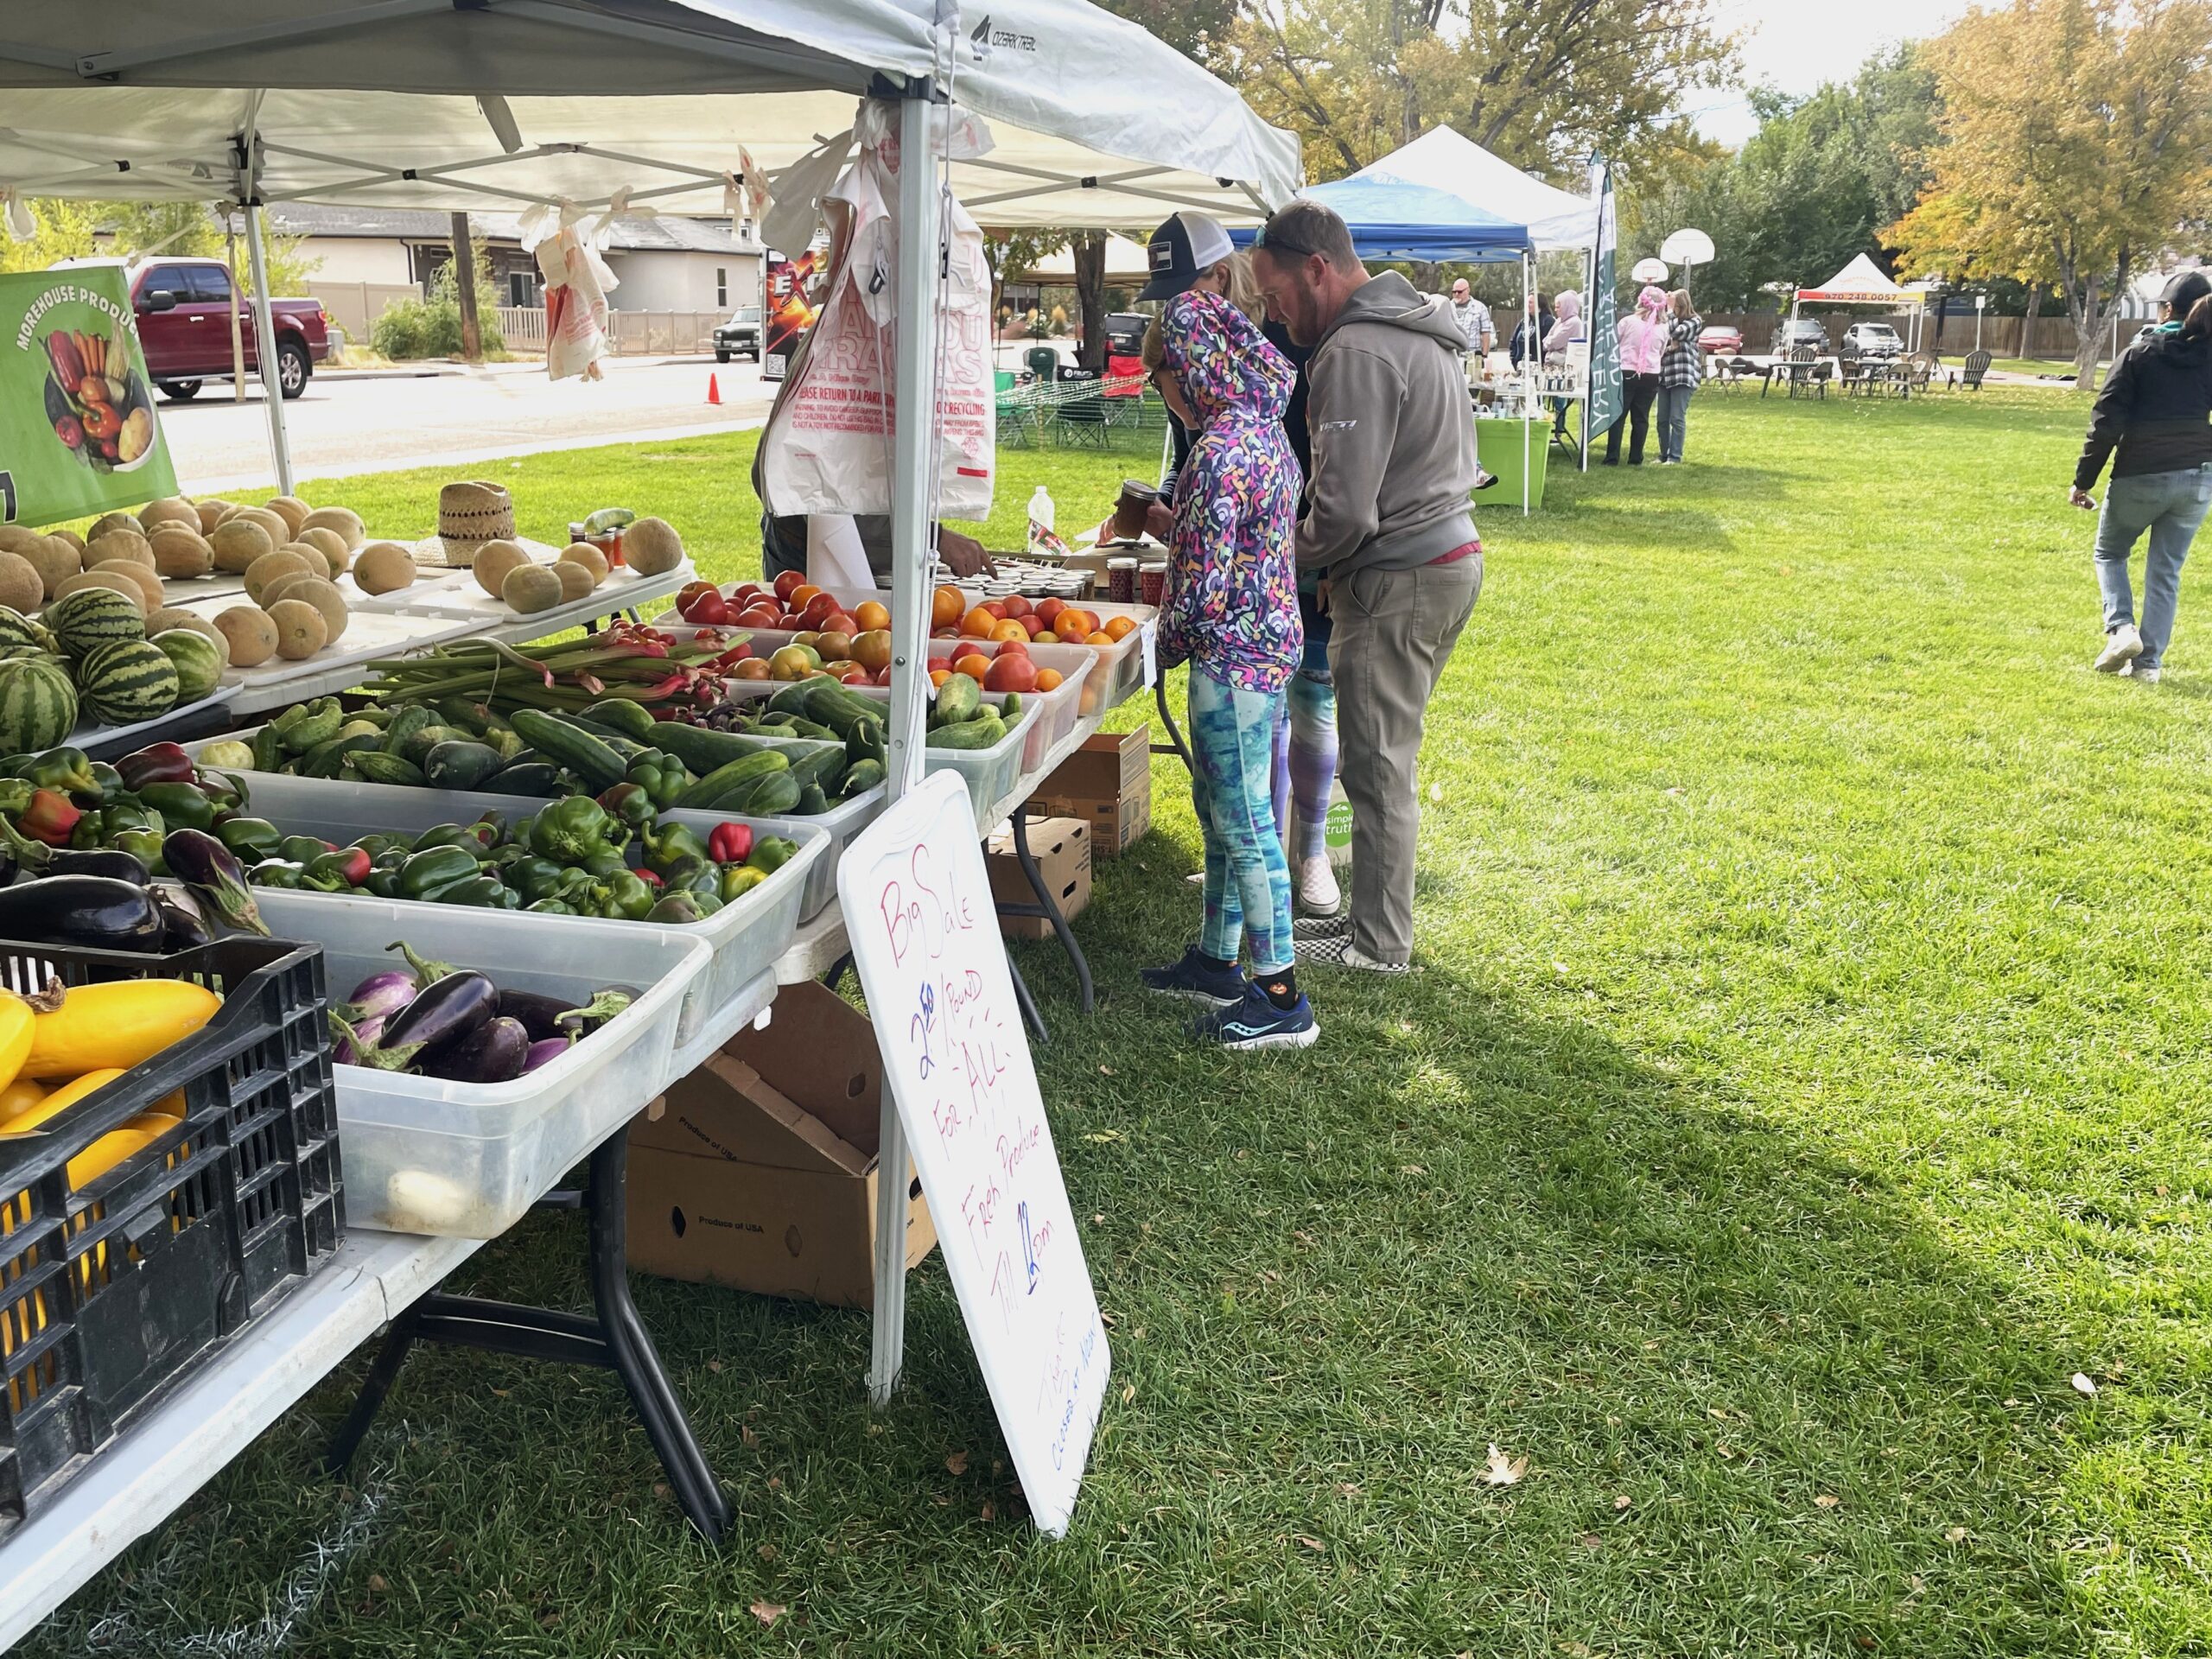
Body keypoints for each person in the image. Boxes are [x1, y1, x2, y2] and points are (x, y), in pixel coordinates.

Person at [1250, 200, 1483, 974]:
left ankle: (1381, 947)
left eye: (1278, 297)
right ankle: (1369, 927)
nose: (1278, 320)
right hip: (1440, 559)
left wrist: (1277, 558)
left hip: (1401, 573)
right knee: (1383, 757)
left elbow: (1344, 512)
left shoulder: (1355, 348)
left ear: (1319, 268)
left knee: (1377, 766)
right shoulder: (1419, 328)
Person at [1134, 219, 1318, 1050]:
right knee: (1221, 809)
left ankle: (1279, 995)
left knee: (1243, 820)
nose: (1161, 392)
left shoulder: (1216, 453)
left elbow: (1200, 590)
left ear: (1190, 371)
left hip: (1233, 661)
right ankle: (1216, 960)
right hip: (1265, 644)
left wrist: (1154, 645)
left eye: (1162, 376)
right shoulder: (1263, 433)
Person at [751, 319, 994, 583]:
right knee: (823, 619)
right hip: (810, 536)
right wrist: (933, 538)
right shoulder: (852, 343)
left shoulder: (880, 336)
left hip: (831, 529)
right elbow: (829, 494)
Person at [2073, 269, 2212, 683]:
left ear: (2167, 309)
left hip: (2141, 473)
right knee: (2166, 571)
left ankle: (2121, 629)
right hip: (2198, 476)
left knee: (2110, 553)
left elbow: (2106, 423)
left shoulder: (2139, 353)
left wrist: (2084, 481)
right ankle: (2148, 666)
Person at [1605, 284, 1667, 466]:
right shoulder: (1663, 328)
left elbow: (1614, 342)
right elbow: (1661, 351)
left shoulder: (1628, 322)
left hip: (1626, 370)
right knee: (1641, 417)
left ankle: (1612, 457)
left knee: (1618, 415)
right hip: (1651, 374)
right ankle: (1635, 457)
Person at [1656, 289, 1702, 465]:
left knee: (1676, 417)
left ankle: (1675, 456)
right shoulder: (1671, 319)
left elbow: (1676, 333)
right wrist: (1670, 345)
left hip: (1683, 374)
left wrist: (1668, 311)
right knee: (1662, 419)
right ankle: (1663, 454)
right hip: (1665, 375)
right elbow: (1662, 335)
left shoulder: (1695, 321)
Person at [1542, 290, 1584, 438]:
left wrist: (1550, 342)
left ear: (1567, 306)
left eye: (1559, 306)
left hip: (1562, 366)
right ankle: (1545, 425)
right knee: (1544, 396)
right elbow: (1547, 340)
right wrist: (1550, 342)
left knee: (1559, 400)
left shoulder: (1574, 322)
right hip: (1551, 363)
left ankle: (1559, 430)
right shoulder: (1560, 321)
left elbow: (1554, 341)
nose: (1556, 309)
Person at [1448, 278, 1495, 360]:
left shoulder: (1480, 308)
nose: (1456, 294)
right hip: (1452, 355)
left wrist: (1484, 356)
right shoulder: (1447, 307)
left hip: (1472, 355)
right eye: (1454, 292)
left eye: (1459, 292)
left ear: (1468, 290)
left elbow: (1486, 333)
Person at [1510, 293, 1554, 370]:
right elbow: (1513, 341)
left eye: (1530, 302)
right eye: (1527, 303)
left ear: (1539, 304)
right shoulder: (1524, 322)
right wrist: (1514, 359)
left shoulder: (1547, 321)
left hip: (1538, 368)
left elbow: (1548, 345)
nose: (1527, 305)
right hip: (1520, 367)